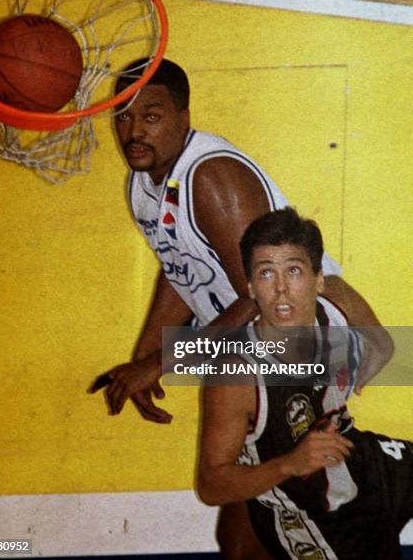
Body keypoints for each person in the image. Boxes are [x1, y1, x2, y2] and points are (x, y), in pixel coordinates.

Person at [90, 58, 392, 560]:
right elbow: (179, 265)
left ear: (184, 118)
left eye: (152, 115)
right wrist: (147, 355)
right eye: (122, 116)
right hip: (262, 348)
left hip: (303, 340)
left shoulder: (211, 179)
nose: (134, 129)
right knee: (247, 527)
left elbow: (256, 299)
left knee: (261, 509)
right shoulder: (143, 185)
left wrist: (158, 363)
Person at [197, 207, 411, 560]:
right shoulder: (235, 375)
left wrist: (355, 379)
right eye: (266, 274)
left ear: (318, 279)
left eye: (294, 271)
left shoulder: (337, 303)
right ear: (250, 286)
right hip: (305, 503)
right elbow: (211, 485)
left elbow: (383, 345)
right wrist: (289, 465)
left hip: (358, 456)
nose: (281, 290)